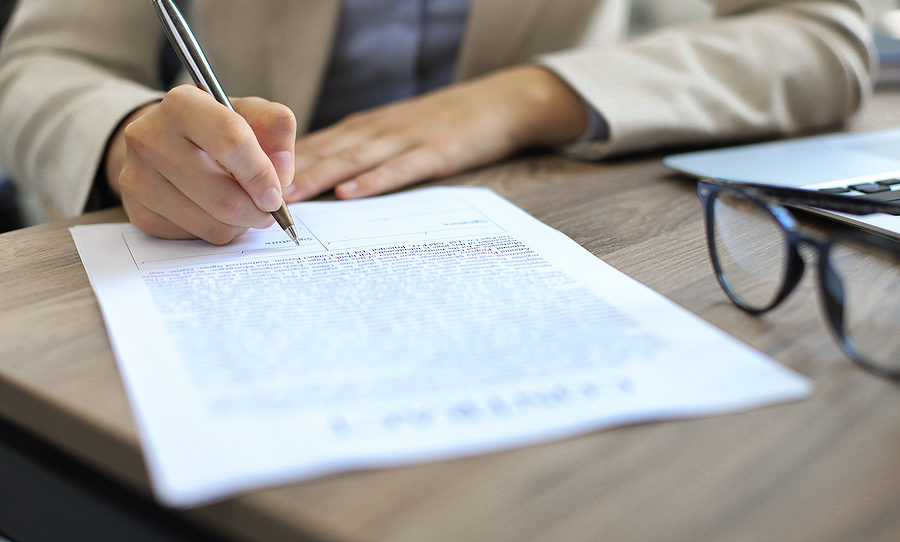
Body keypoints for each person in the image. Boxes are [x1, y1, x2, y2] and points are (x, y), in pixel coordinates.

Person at [0, 0, 874, 244]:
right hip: (206, 235)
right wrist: (127, 139)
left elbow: (821, 35)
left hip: (543, 215)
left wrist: (522, 100)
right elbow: (37, 65)